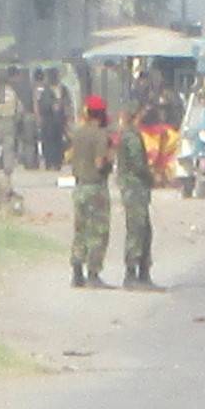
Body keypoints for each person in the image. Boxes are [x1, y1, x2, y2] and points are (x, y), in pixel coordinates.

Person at [68, 95, 114, 288]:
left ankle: (77, 272)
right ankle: (93, 273)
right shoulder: (100, 135)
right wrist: (109, 164)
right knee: (98, 232)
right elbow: (99, 162)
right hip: (96, 187)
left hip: (79, 187)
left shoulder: (77, 133)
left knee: (81, 230)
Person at [118, 106, 160, 290]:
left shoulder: (129, 135)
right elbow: (137, 164)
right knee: (137, 231)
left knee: (143, 230)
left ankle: (142, 273)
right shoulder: (132, 137)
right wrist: (152, 178)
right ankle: (132, 274)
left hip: (134, 188)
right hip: (135, 188)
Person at [0, 68, 23, 183]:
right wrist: (15, 121)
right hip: (10, 122)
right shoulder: (13, 93)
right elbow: (20, 110)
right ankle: (8, 174)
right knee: (8, 148)